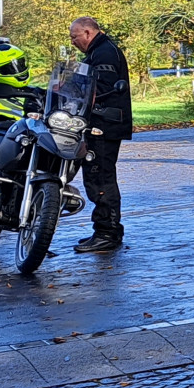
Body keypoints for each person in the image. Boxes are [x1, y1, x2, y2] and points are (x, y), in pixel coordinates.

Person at [69, 17, 132, 254]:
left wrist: (78, 96)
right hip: (99, 123)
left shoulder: (104, 53)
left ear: (87, 32)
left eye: (74, 37)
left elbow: (99, 89)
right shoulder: (98, 51)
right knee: (96, 176)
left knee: (101, 178)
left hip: (104, 125)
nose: (73, 42)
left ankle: (108, 233)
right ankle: (104, 229)